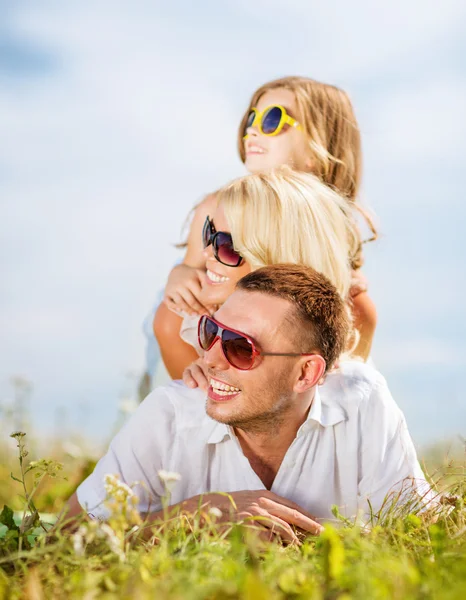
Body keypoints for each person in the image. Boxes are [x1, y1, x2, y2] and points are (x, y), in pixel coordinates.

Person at [67, 265, 431, 543]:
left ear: (306, 373)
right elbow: (67, 535)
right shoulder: (169, 414)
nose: (210, 360)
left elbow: (421, 535)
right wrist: (190, 517)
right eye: (211, 333)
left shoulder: (362, 402)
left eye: (240, 347)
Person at [150, 76, 377, 382]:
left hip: (286, 313)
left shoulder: (328, 219)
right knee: (169, 318)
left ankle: (338, 386)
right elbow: (193, 263)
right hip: (224, 299)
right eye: (252, 118)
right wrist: (180, 275)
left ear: (316, 148)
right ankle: (197, 402)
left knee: (360, 308)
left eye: (273, 119)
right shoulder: (219, 205)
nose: (253, 129)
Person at [164, 168, 361, 377]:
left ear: (275, 259)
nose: (206, 253)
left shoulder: (349, 386)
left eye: (227, 246)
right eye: (209, 234)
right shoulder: (200, 327)